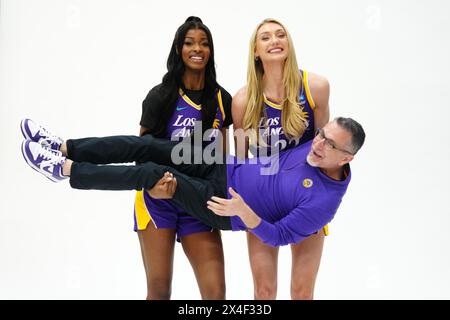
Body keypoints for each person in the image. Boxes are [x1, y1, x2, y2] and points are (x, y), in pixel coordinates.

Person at [20, 117, 365, 266]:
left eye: (329, 144)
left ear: (347, 158)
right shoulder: (313, 147)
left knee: (153, 174)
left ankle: (64, 171)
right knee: (148, 146)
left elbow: (281, 235)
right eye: (321, 134)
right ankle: (64, 147)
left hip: (223, 205)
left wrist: (246, 214)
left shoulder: (324, 202)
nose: (318, 143)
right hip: (221, 164)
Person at [132, 16, 232, 300]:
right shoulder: (161, 95)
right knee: (160, 290)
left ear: (211, 51)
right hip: (159, 200)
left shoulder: (222, 99)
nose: (197, 49)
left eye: (204, 43)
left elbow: (225, 156)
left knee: (215, 294)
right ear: (178, 49)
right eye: (189, 43)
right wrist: (152, 185)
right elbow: (141, 151)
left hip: (200, 199)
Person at [232, 18, 330, 299]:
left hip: (305, 196)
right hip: (262, 198)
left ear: (288, 43)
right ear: (255, 51)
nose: (274, 40)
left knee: (302, 291)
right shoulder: (242, 101)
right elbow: (240, 165)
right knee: (264, 291)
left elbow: (325, 151)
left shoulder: (315, 87)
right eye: (265, 37)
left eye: (280, 35)